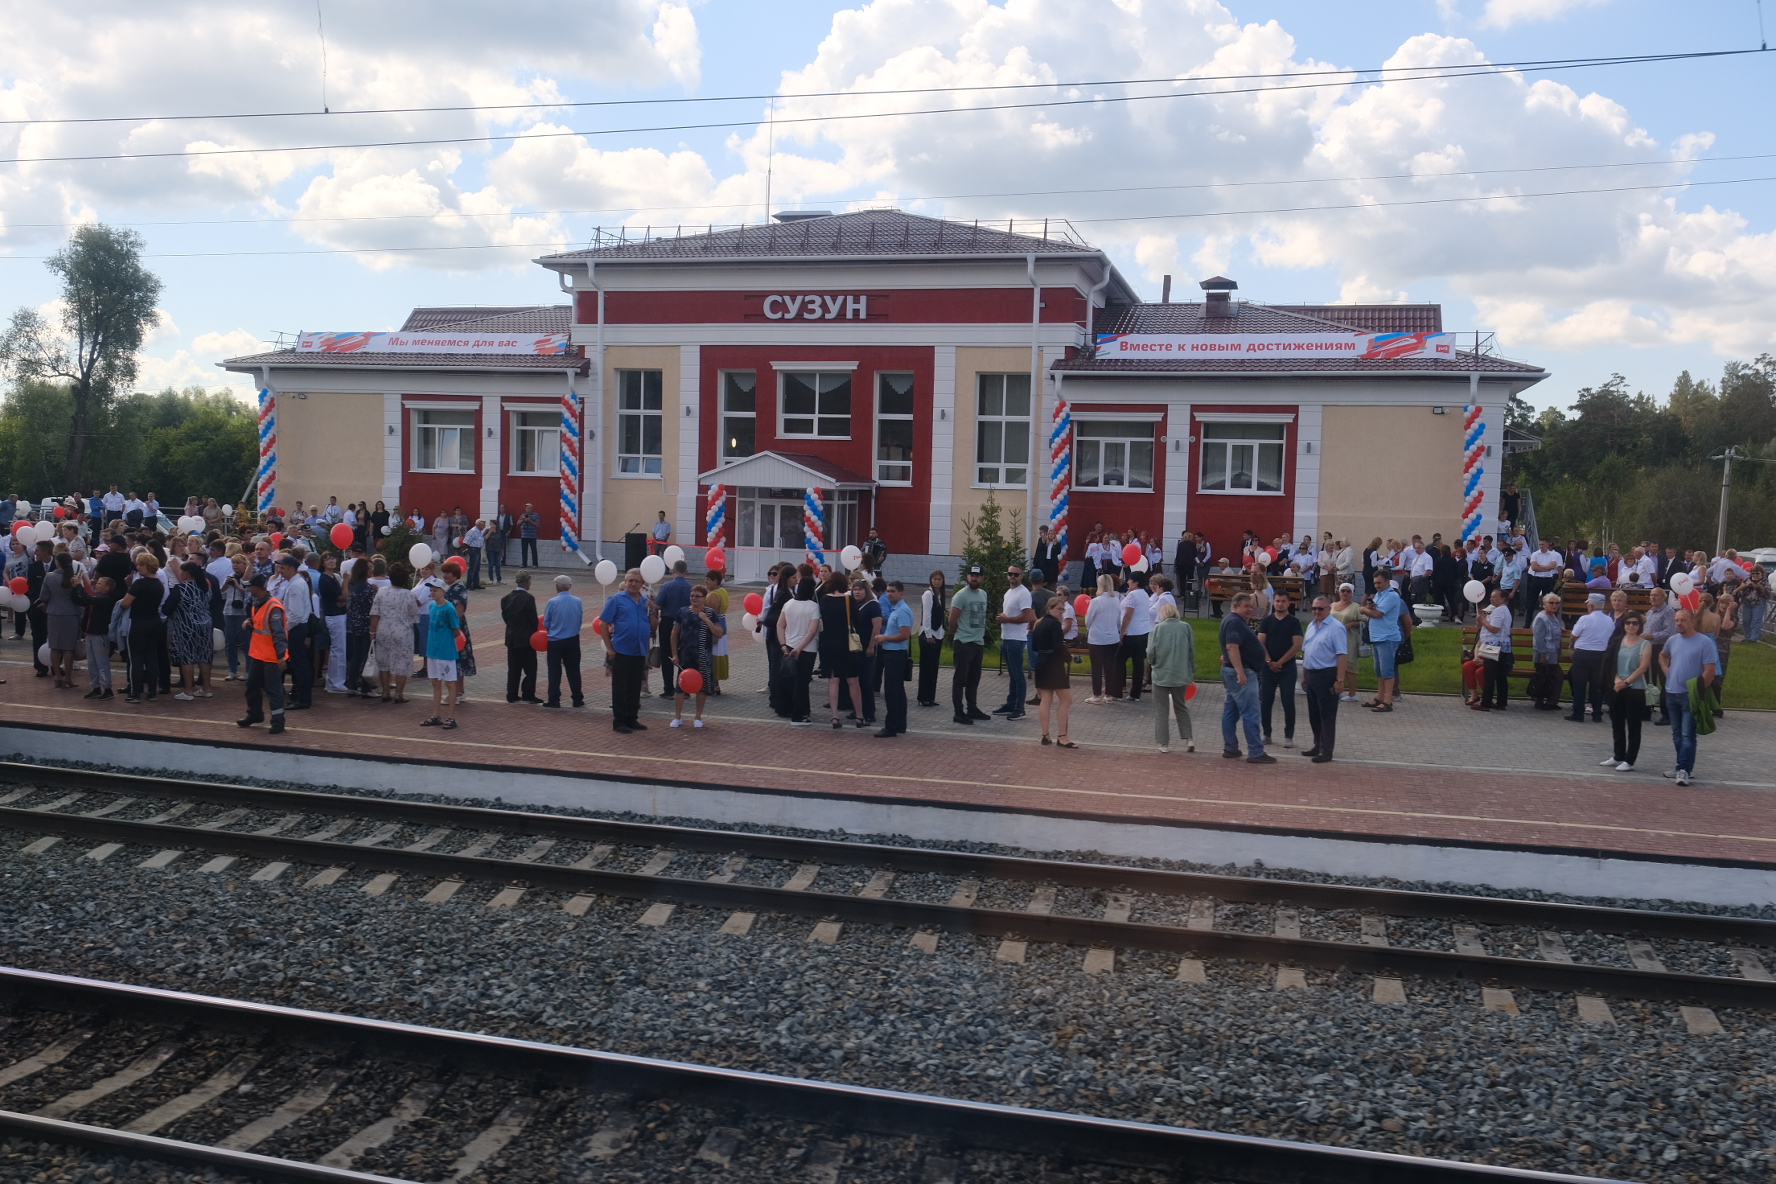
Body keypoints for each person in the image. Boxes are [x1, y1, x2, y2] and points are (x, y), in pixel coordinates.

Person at [1659, 607, 1718, 787]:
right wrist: (1667, 671)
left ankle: (1684, 769)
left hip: (1690, 695)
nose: (1679, 623)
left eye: (1683, 620)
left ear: (1693, 622)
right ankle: (1681, 766)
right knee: (1676, 734)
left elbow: (1710, 671)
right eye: (1677, 620)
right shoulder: (1672, 640)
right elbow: (1663, 655)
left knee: (1687, 734)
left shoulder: (1704, 643)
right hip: (1672, 692)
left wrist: (1698, 691)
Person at [1219, 592, 1272, 763]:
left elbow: (1231, 647)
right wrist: (1240, 672)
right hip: (1243, 674)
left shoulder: (1233, 621)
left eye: (1251, 606)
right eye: (1246, 606)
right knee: (1251, 713)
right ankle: (1256, 752)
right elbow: (1232, 646)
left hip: (1234, 671)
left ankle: (1230, 748)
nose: (1250, 609)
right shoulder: (1235, 622)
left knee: (1231, 711)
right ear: (1235, 606)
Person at [233, 575, 288, 734]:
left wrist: (281, 656)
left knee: (273, 689)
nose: (249, 589)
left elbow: (279, 633)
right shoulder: (258, 603)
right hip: (259, 654)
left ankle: (278, 722)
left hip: (271, 656)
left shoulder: (273, 606)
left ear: (258, 588)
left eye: (251, 586)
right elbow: (262, 625)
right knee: (252, 686)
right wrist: (250, 622)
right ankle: (255, 714)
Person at [1299, 595, 1347, 762]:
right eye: (1314, 608)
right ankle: (1317, 745)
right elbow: (1307, 651)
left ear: (1329, 609)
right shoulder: (1312, 625)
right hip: (1312, 673)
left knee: (1326, 714)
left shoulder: (1336, 627)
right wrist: (1304, 675)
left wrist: (1339, 680)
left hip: (1327, 674)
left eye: (1320, 608)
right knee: (1314, 713)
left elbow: (1342, 655)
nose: (1316, 611)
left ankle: (1326, 751)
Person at [669, 583, 723, 728]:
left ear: (704, 598)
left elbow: (719, 633)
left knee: (702, 687)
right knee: (680, 686)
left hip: (703, 655)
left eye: (697, 596)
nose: (694, 599)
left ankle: (698, 717)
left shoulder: (711, 613)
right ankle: (677, 716)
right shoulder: (683, 611)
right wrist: (675, 654)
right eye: (692, 596)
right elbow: (674, 633)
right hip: (686, 654)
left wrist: (706, 619)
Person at [1603, 611, 1652, 772]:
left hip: (1634, 689)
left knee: (1633, 725)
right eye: (1628, 623)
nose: (1631, 626)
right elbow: (1610, 663)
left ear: (1640, 626)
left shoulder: (1645, 644)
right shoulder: (1617, 641)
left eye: (1635, 623)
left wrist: (1626, 682)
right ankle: (1618, 755)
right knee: (1617, 723)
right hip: (1617, 686)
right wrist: (1617, 680)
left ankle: (1630, 760)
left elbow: (1643, 668)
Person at [1255, 590, 1303, 748]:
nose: (1280, 604)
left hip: (1287, 668)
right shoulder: (1267, 621)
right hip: (1268, 668)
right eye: (1277, 601)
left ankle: (1289, 736)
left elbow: (1297, 645)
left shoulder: (1294, 622)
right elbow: (1260, 642)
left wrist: (1280, 662)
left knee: (1288, 701)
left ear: (1288, 603)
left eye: (1283, 601)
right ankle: (1266, 733)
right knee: (1266, 701)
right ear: (1273, 602)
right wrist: (1269, 662)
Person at [1147, 600, 1196, 754]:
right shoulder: (1186, 627)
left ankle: (1164, 743)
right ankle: (1189, 739)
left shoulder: (1157, 629)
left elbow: (1150, 651)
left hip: (1161, 673)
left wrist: (1153, 663)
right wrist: (1190, 671)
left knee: (1161, 710)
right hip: (1180, 673)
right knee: (1181, 707)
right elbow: (1191, 651)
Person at [870, 580, 915, 738]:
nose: (889, 594)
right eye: (888, 591)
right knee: (898, 691)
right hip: (892, 653)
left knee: (892, 691)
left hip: (895, 654)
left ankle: (891, 726)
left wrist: (885, 638)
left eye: (892, 591)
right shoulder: (897, 609)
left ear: (901, 593)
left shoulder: (902, 611)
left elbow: (904, 635)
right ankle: (900, 724)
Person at [118, 552, 165, 702]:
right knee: (151, 657)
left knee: (136, 658)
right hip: (154, 621)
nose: (138, 567)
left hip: (139, 622)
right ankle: (152, 692)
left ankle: (135, 692)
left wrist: (129, 588)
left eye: (140, 565)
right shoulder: (159, 584)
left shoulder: (140, 584)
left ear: (147, 566)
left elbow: (125, 603)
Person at [370, 564, 420, 703]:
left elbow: (375, 614)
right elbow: (415, 616)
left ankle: (385, 691)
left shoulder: (381, 592)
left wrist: (372, 631)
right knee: (402, 662)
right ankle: (399, 693)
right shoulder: (409, 594)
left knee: (384, 661)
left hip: (383, 629)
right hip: (403, 631)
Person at [1359, 568, 1407, 712]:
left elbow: (1378, 613)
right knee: (1379, 670)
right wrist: (1369, 607)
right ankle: (1379, 697)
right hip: (1378, 637)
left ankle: (1388, 701)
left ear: (1387, 581)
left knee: (1387, 671)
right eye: (1375, 583)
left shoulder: (1391, 596)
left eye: (1379, 583)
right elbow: (1373, 609)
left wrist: (1363, 610)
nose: (1377, 585)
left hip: (1387, 638)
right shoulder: (1380, 595)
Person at [166, 561, 215, 700]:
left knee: (187, 656)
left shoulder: (180, 588)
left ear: (186, 574)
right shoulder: (205, 588)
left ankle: (188, 691)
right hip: (205, 624)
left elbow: (167, 608)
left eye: (182, 572)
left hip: (185, 625)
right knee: (205, 655)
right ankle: (207, 688)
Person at [776, 576, 821, 726]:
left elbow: (780, 625)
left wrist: (783, 644)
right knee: (802, 682)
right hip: (807, 649)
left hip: (788, 646)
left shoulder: (789, 604)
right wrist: (800, 648)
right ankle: (799, 715)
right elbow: (812, 631)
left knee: (791, 680)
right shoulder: (813, 607)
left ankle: (795, 709)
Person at [948, 565, 989, 724]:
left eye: (977, 576)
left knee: (974, 678)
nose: (974, 578)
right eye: (972, 575)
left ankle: (972, 708)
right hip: (964, 642)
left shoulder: (983, 594)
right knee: (960, 679)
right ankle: (958, 712)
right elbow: (952, 620)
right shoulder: (961, 596)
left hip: (978, 642)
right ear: (967, 577)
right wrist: (958, 635)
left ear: (982, 578)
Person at [541, 572, 587, 713]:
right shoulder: (578, 601)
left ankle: (554, 699)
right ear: (570, 586)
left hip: (555, 640)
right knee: (574, 670)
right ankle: (577, 698)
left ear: (557, 587)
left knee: (554, 671)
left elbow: (546, 622)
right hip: (573, 639)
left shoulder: (552, 602)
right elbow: (579, 619)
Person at [421, 581, 463, 729]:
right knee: (435, 682)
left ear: (443, 591)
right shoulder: (432, 606)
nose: (432, 593)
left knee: (450, 683)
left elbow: (456, 630)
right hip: (433, 650)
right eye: (431, 590)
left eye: (435, 591)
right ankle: (436, 715)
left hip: (445, 651)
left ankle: (451, 717)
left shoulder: (449, 608)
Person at [994, 564, 1034, 720]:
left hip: (1016, 639)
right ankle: (1011, 703)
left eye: (1016, 575)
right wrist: (1003, 618)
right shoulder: (1009, 592)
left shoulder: (1023, 593)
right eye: (1010, 574)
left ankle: (1020, 708)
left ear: (1022, 576)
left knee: (1018, 675)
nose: (1012, 577)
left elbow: (1027, 617)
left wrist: (1007, 619)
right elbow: (1011, 614)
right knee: (1012, 674)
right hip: (1007, 636)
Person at [1567, 593, 1613, 723]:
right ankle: (1597, 713)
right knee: (1597, 685)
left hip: (1583, 654)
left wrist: (1572, 645)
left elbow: (1574, 635)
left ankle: (1578, 713)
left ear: (1591, 606)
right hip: (1600, 655)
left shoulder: (1585, 619)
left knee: (1579, 685)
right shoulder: (1609, 620)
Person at [654, 560, 693, 698]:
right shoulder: (691, 588)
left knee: (667, 656)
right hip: (686, 623)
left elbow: (658, 605)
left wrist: (651, 602)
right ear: (686, 572)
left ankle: (668, 689)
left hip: (668, 623)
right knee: (684, 656)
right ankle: (684, 688)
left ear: (673, 570)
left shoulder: (667, 586)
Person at [501, 571, 541, 703]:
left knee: (513, 668)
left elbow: (506, 618)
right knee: (530, 668)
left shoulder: (506, 598)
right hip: (526, 639)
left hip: (511, 638)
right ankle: (528, 693)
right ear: (527, 582)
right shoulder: (528, 598)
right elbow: (533, 620)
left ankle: (511, 694)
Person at [1473, 587, 1514, 711]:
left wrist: (1482, 620)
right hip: (1502, 646)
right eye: (1491, 597)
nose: (1491, 599)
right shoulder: (1501, 610)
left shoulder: (1500, 611)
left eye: (1495, 597)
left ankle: (1485, 703)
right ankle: (1501, 702)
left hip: (1495, 646)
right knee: (1500, 675)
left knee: (1489, 675)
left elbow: (1494, 629)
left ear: (1503, 599)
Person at [343, 558, 378, 697]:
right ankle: (366, 687)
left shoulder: (353, 586)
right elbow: (374, 608)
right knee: (367, 656)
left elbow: (349, 605)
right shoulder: (368, 588)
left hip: (354, 624)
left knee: (356, 656)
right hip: (367, 624)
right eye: (369, 568)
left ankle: (351, 685)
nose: (371, 570)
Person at [1118, 571, 1153, 702]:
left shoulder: (1132, 595)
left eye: (1130, 580)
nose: (1128, 582)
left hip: (1131, 633)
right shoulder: (1144, 594)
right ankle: (1135, 693)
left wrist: (1122, 632)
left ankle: (1116, 689)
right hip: (1143, 632)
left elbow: (1128, 615)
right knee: (1138, 663)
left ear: (1136, 582)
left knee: (1118, 660)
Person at [1529, 593, 1565, 711]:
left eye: (1557, 603)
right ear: (1544, 604)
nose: (1554, 605)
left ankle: (1551, 701)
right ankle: (1541, 701)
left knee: (1553, 676)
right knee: (1545, 676)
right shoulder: (1541, 617)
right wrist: (1542, 654)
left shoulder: (1553, 617)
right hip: (1544, 654)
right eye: (1551, 603)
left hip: (1553, 653)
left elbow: (1553, 630)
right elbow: (1539, 638)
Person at [917, 571, 947, 707]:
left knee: (934, 668)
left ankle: (930, 696)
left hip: (938, 634)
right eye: (934, 579)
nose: (937, 581)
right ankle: (923, 696)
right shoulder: (928, 595)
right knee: (926, 667)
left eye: (939, 579)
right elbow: (926, 616)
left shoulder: (940, 595)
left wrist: (942, 632)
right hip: (928, 635)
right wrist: (929, 635)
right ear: (931, 580)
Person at [1329, 584, 1363, 703]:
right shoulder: (1332, 605)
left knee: (1349, 666)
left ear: (1352, 593)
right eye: (1343, 590)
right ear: (1339, 592)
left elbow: (1364, 621)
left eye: (1348, 591)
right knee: (1333, 665)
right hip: (1333, 639)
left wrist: (1352, 624)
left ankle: (1352, 694)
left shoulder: (1356, 607)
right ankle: (1336, 691)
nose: (1345, 593)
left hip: (1349, 639)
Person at [487, 506, 509, 585]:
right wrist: (490, 532)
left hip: (498, 550)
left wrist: (502, 550)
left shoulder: (499, 532)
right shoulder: (487, 531)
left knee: (498, 565)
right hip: (490, 550)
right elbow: (484, 538)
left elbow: (501, 542)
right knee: (490, 565)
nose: (492, 525)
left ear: (496, 525)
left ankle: (499, 579)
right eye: (490, 524)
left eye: (493, 524)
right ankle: (491, 579)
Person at [463, 519, 486, 590]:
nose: (484, 526)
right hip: (474, 550)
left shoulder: (479, 532)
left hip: (478, 549)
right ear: (479, 525)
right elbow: (466, 542)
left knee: (477, 568)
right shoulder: (472, 531)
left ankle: (476, 584)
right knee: (472, 568)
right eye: (483, 525)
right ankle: (469, 585)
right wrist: (468, 549)